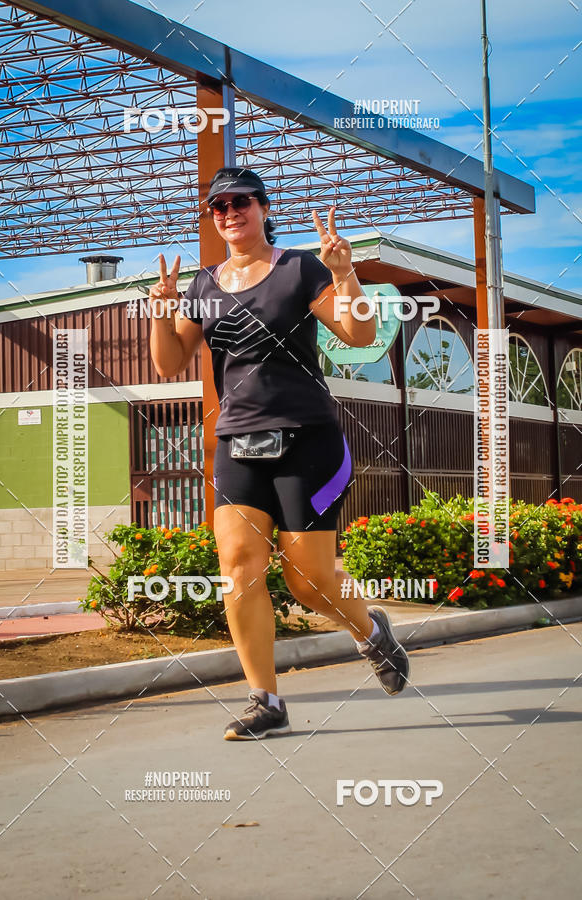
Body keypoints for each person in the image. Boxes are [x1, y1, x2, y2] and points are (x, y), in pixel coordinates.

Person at [149, 166, 409, 741]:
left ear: (264, 208)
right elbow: (169, 363)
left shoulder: (299, 268)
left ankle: (370, 632)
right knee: (238, 569)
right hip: (238, 441)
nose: (229, 213)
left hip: (306, 437)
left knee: (308, 582)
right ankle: (265, 700)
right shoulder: (204, 285)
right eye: (218, 206)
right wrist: (164, 312)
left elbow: (359, 336)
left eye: (241, 202)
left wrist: (346, 276)